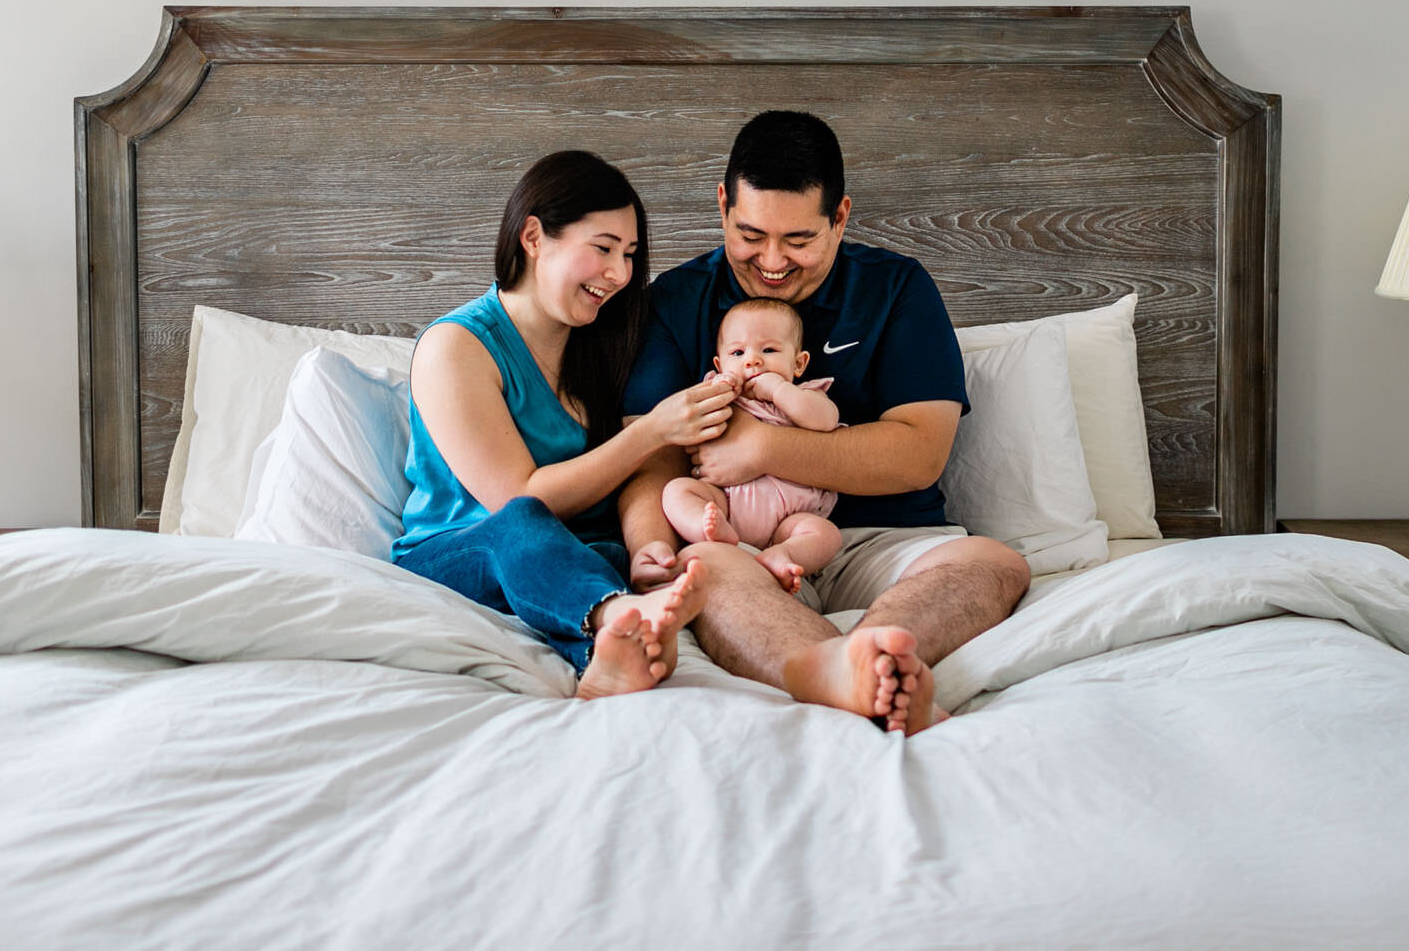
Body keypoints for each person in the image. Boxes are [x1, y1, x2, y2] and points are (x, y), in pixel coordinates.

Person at [619, 112, 1032, 734]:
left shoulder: (897, 290)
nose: (773, 262)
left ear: (839, 217)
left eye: (800, 240)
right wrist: (648, 547)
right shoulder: (674, 304)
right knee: (709, 574)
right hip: (742, 541)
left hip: (878, 538)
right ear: (723, 204)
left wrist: (761, 446)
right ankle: (842, 671)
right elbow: (648, 458)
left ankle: (879, 655)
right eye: (750, 235)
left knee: (997, 563)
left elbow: (917, 455)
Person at [392, 150, 737, 698]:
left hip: (561, 556)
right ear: (533, 237)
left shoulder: (596, 347)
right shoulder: (455, 347)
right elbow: (520, 498)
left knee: (608, 554)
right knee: (524, 522)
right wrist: (651, 430)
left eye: (628, 255)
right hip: (462, 553)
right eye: (602, 248)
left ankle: (610, 653)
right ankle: (624, 618)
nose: (621, 274)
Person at [661, 297, 842, 594]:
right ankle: (710, 532)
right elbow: (686, 425)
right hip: (726, 504)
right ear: (719, 363)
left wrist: (778, 389)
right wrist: (721, 389)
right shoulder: (717, 393)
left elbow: (825, 421)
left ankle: (784, 555)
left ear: (799, 363)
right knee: (676, 492)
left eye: (768, 350)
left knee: (826, 535)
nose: (752, 360)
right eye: (737, 352)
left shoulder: (804, 395)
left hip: (790, 521)